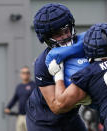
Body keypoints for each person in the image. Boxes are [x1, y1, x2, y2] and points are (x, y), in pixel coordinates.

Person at [26, 3, 88, 131]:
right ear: (47, 38)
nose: (65, 36)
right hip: (43, 121)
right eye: (58, 34)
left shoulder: (85, 46)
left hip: (71, 117)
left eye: (66, 30)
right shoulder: (43, 63)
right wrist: (85, 94)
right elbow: (56, 107)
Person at [4, 66, 35, 131]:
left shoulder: (34, 85)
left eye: (27, 73)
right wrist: (8, 107)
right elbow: (15, 98)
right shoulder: (19, 87)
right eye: (23, 73)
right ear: (21, 75)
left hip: (31, 117)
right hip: (20, 116)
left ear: (30, 74)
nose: (25, 74)